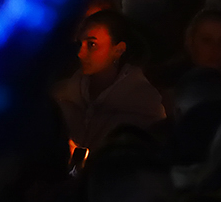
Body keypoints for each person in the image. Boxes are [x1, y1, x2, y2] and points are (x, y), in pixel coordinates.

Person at [54, 9, 166, 152]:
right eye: (79, 44)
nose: (81, 54)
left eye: (91, 45)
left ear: (118, 50)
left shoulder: (144, 107)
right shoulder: (63, 95)